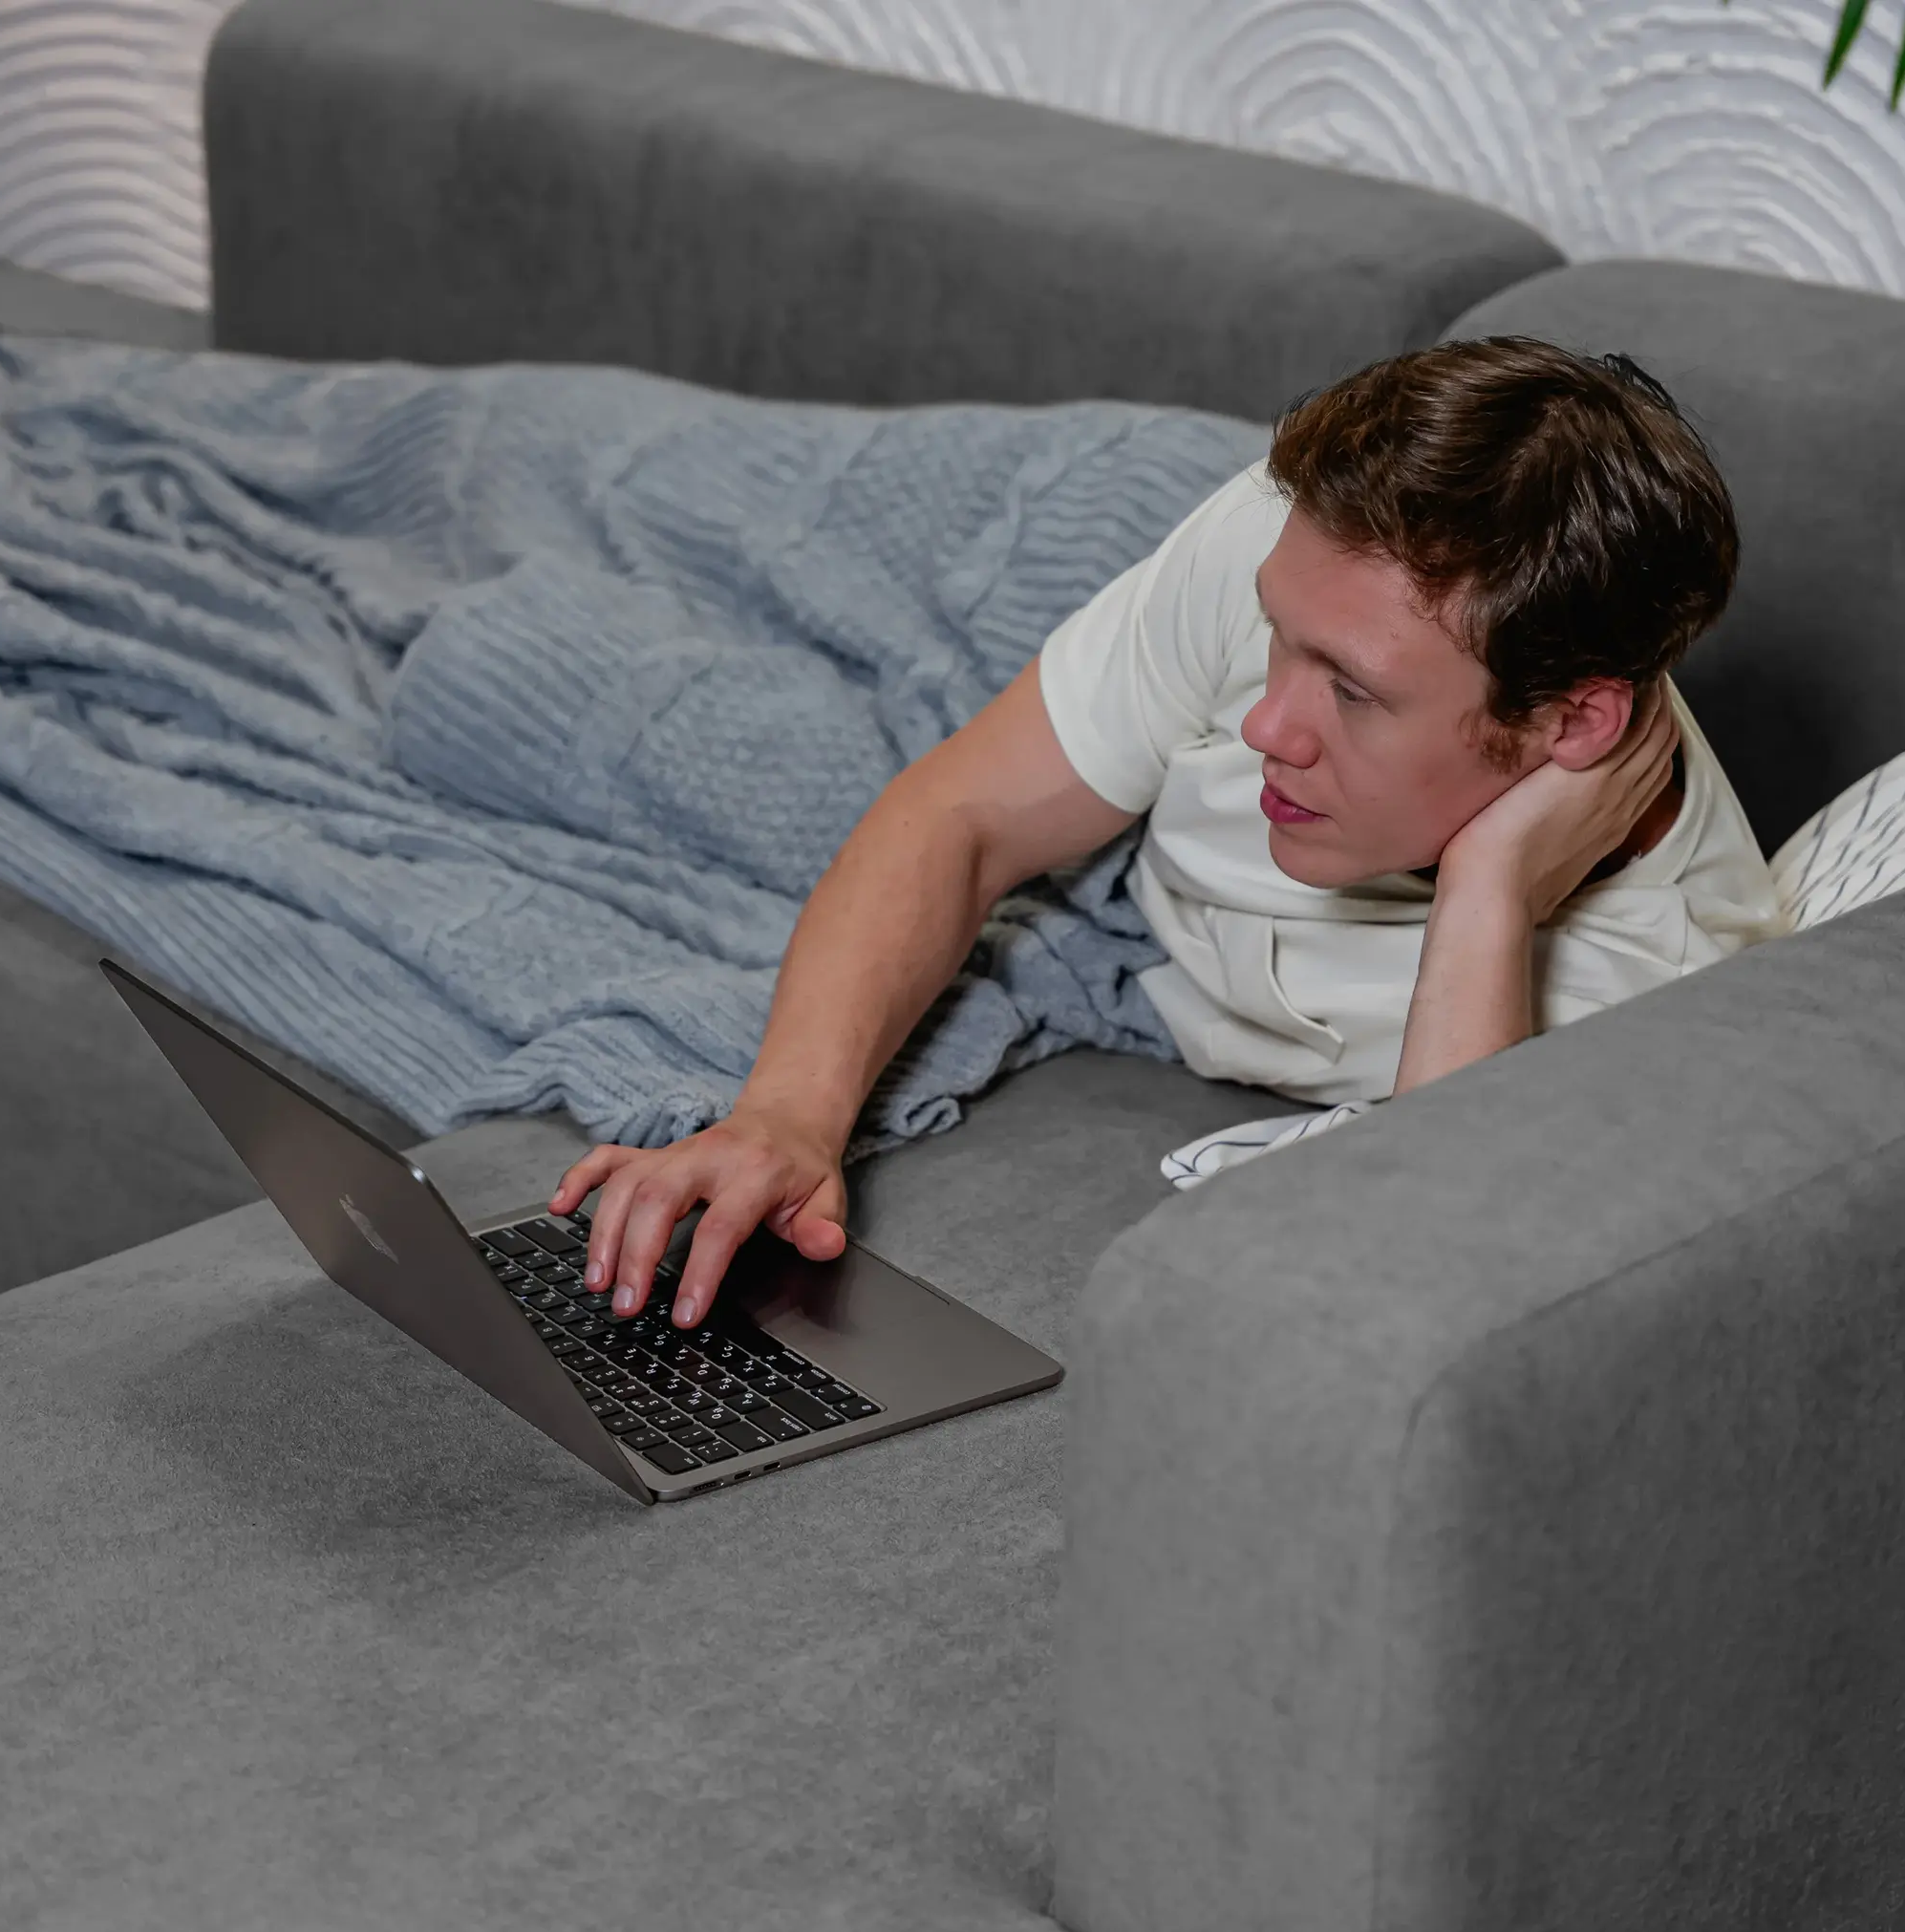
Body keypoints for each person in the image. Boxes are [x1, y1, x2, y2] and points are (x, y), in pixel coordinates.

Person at [549, 335, 1787, 1329]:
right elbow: (966, 811)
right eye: (1279, 639)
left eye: (1353, 693)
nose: (1265, 725)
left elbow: (1433, 1290)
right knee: (579, 500)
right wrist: (785, 1116)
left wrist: (1489, 895)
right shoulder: (1297, 546)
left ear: (1573, 725)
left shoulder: (1658, 987)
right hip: (1076, 536)